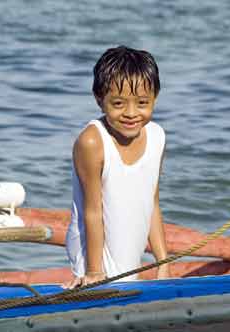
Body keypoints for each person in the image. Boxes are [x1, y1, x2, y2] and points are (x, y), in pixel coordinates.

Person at [63, 46, 169, 289]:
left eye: (142, 103)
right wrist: (93, 271)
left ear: (155, 97)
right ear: (99, 99)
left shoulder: (157, 136)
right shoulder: (92, 141)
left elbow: (151, 200)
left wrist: (163, 262)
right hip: (94, 255)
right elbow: (93, 211)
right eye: (118, 103)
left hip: (130, 250)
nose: (131, 113)